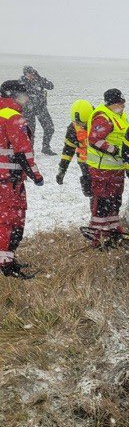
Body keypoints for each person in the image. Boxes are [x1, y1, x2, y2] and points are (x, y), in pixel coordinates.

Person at [0, 80, 44, 278]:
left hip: (4, 178)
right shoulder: (13, 117)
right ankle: (6, 264)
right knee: (10, 220)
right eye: (25, 95)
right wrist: (36, 175)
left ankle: (7, 259)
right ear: (16, 96)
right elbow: (23, 152)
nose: (27, 99)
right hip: (9, 180)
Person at [86, 88, 129, 246]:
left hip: (115, 168)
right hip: (102, 169)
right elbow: (94, 139)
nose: (123, 105)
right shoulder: (103, 117)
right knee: (102, 200)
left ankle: (112, 227)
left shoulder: (119, 116)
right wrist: (115, 150)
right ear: (112, 103)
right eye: (121, 102)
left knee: (115, 198)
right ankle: (97, 233)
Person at [56, 99, 94, 198]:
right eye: (78, 123)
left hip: (102, 162)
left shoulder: (100, 121)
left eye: (83, 123)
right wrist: (62, 170)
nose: (80, 126)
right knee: (90, 190)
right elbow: (68, 150)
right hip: (84, 162)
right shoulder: (72, 128)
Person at [19, 66, 55, 155]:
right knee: (30, 132)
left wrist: (40, 79)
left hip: (41, 108)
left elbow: (51, 86)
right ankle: (30, 151)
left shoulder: (39, 80)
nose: (31, 76)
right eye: (29, 74)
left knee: (50, 128)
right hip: (28, 110)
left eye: (32, 73)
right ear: (25, 74)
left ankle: (46, 147)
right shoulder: (21, 83)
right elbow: (17, 96)